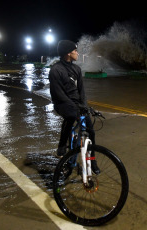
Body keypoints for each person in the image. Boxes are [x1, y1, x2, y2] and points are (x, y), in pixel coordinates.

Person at [48, 40, 100, 174]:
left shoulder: (77, 69)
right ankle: (61, 145)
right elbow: (58, 94)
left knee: (91, 131)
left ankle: (93, 160)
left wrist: (84, 106)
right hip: (62, 103)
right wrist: (74, 107)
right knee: (71, 116)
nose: (77, 53)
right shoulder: (55, 70)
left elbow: (81, 91)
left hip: (77, 104)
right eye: (75, 51)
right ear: (68, 53)